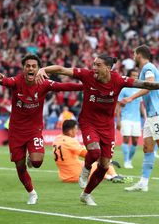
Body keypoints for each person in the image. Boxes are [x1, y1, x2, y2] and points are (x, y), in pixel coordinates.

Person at [36, 53, 159, 206]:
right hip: (89, 122)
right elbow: (62, 69)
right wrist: (44, 69)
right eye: (94, 64)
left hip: (107, 126)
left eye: (98, 65)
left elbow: (146, 85)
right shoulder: (87, 75)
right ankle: (86, 168)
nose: (94, 67)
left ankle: (86, 194)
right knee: (94, 152)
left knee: (105, 165)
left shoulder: (118, 80)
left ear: (108, 68)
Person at [0, 53, 83, 205]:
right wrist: (1, 80)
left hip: (34, 130)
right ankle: (32, 193)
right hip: (16, 131)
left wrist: (85, 86)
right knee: (20, 166)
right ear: (23, 69)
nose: (30, 68)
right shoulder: (17, 81)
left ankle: (31, 156)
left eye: (33, 66)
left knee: (36, 162)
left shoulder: (44, 83)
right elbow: (6, 81)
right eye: (28, 66)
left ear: (38, 69)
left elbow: (64, 86)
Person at [120, 45, 159, 192]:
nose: (133, 57)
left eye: (134, 54)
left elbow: (150, 85)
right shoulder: (146, 69)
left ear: (139, 55)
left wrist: (130, 98)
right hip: (150, 115)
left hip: (157, 113)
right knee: (147, 148)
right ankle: (143, 183)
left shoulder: (148, 68)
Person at [52, 119, 125, 183]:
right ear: (71, 131)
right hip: (76, 174)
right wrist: (107, 160)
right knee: (103, 162)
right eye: (76, 129)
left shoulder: (57, 139)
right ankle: (114, 176)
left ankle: (108, 176)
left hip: (64, 176)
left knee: (91, 163)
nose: (77, 131)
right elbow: (87, 155)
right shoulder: (70, 141)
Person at [116, 68, 146, 169]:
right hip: (126, 118)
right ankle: (126, 161)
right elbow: (119, 105)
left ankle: (129, 160)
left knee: (135, 141)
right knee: (126, 139)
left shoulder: (139, 90)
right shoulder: (124, 89)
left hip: (137, 119)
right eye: (133, 75)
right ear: (129, 76)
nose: (135, 78)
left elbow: (141, 105)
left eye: (136, 76)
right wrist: (118, 120)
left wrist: (145, 117)